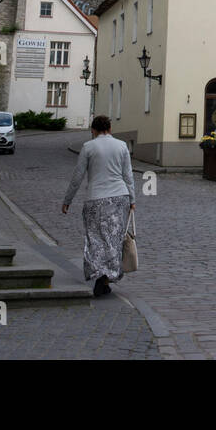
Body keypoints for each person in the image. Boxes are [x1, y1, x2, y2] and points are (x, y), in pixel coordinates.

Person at [62, 115, 135, 297]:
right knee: (114, 239)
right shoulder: (122, 146)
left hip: (95, 198)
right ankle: (107, 277)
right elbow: (128, 176)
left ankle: (99, 275)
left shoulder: (88, 147)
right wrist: (132, 200)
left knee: (95, 238)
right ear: (110, 129)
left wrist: (67, 200)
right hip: (119, 197)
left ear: (93, 130)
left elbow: (77, 176)